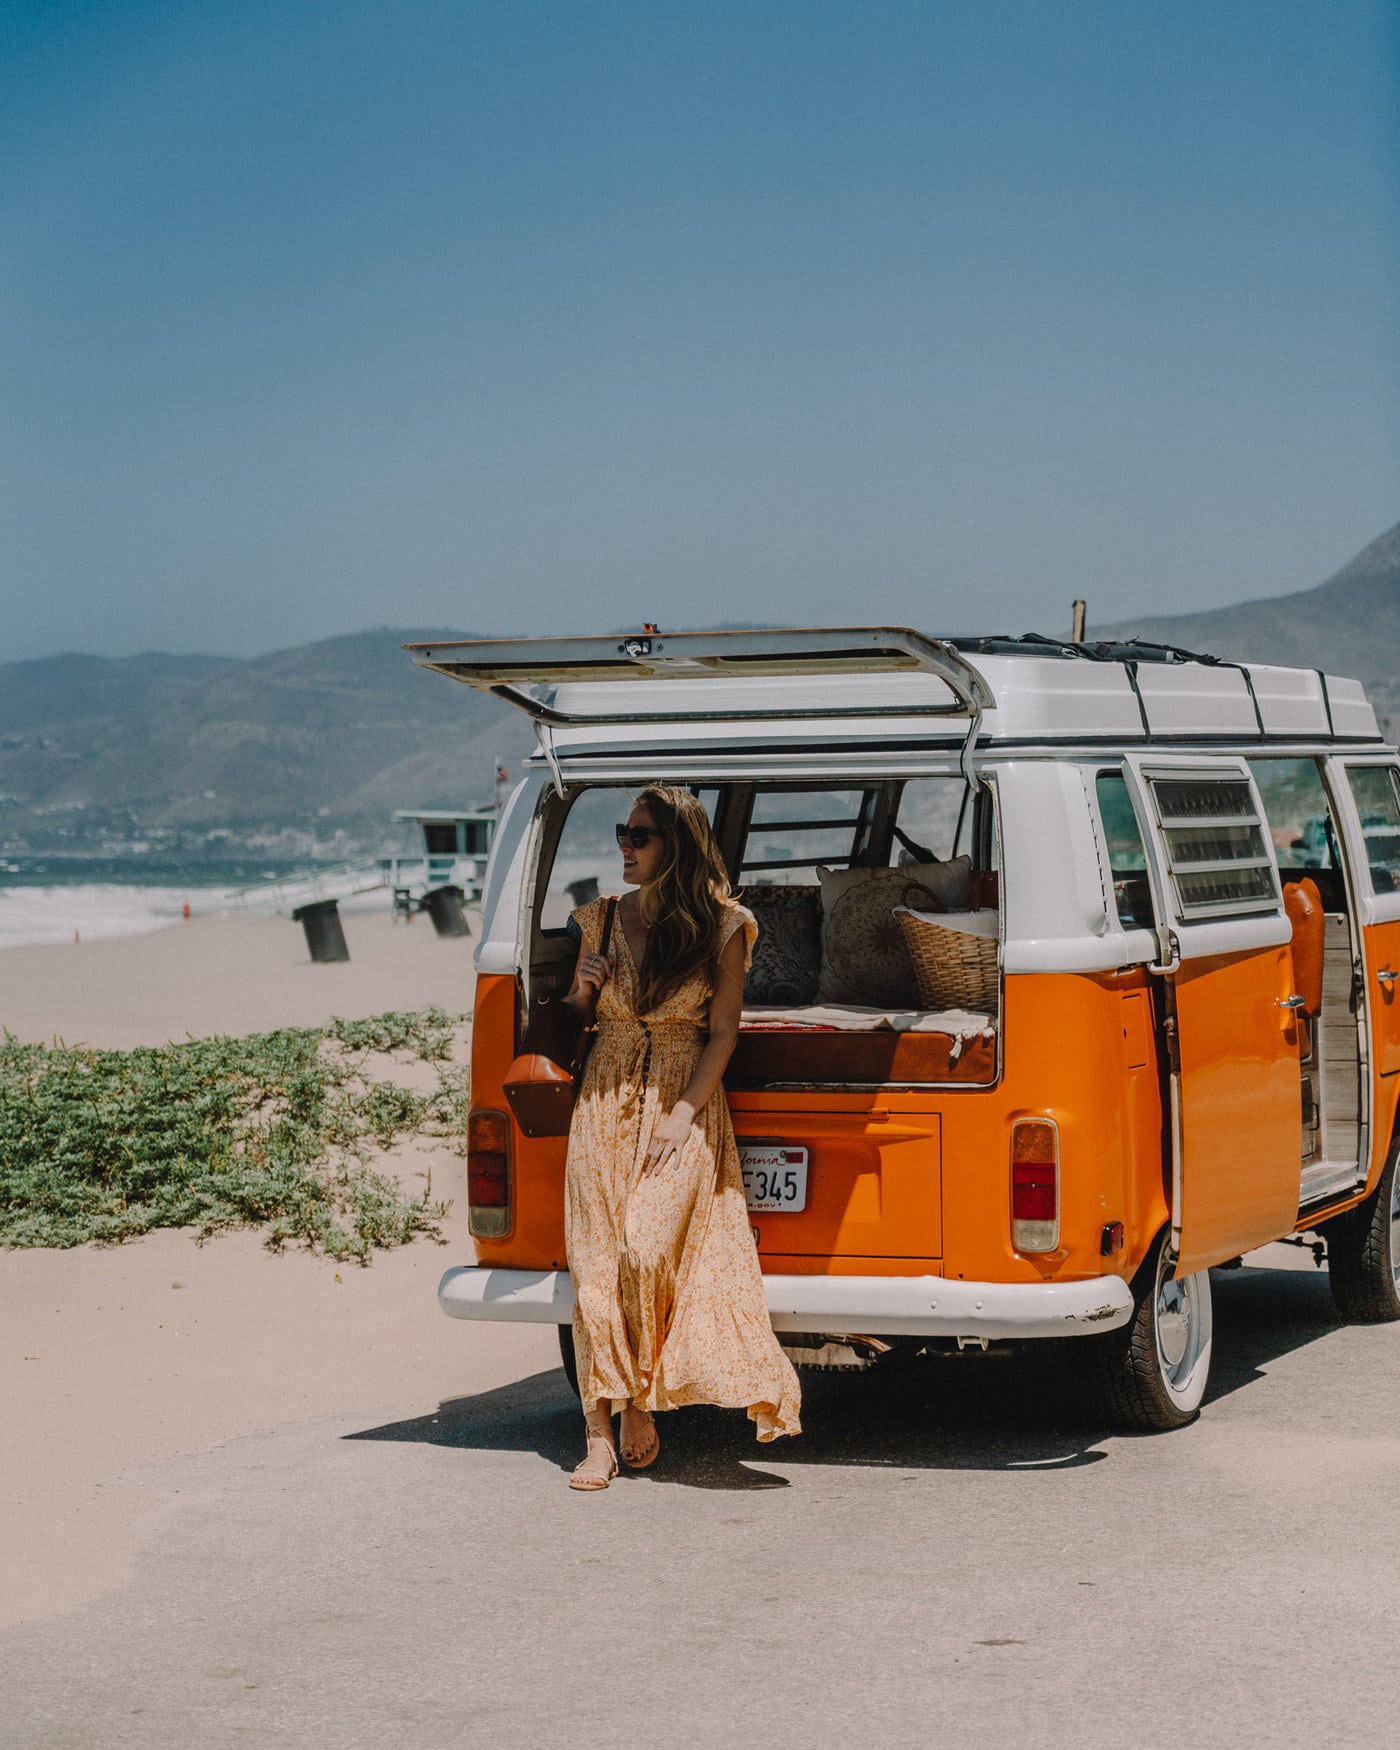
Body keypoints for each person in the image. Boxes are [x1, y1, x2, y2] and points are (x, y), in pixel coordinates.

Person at [561, 783, 802, 1490]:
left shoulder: (725, 926)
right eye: (622, 835)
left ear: (679, 845)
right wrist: (582, 986)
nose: (624, 849)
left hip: (677, 1099)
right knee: (595, 1273)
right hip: (603, 1099)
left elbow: (724, 1031)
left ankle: (640, 1393)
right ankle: (602, 1430)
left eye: (639, 836)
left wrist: (684, 1112)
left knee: (642, 1249)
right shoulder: (600, 919)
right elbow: (572, 1016)